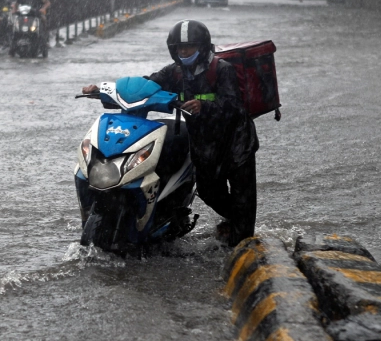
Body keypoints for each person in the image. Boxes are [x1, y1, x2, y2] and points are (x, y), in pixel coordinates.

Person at [81, 20, 259, 247]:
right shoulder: (175, 72)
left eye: (189, 47)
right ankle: (233, 220)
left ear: (202, 47)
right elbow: (144, 87)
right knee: (207, 190)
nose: (184, 52)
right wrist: (103, 92)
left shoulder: (222, 70)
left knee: (244, 198)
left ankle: (242, 243)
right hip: (205, 140)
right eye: (179, 48)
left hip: (236, 141)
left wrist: (205, 106)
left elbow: (234, 105)